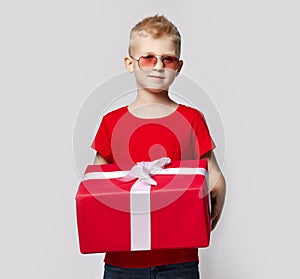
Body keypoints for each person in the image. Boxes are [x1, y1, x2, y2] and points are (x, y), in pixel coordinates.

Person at [92, 14, 226, 279]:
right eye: (148, 58)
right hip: (123, 261)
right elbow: (98, 186)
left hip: (179, 260)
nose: (158, 66)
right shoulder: (111, 122)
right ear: (130, 63)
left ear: (179, 66)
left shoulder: (192, 119)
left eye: (168, 59)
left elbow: (215, 180)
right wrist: (214, 204)